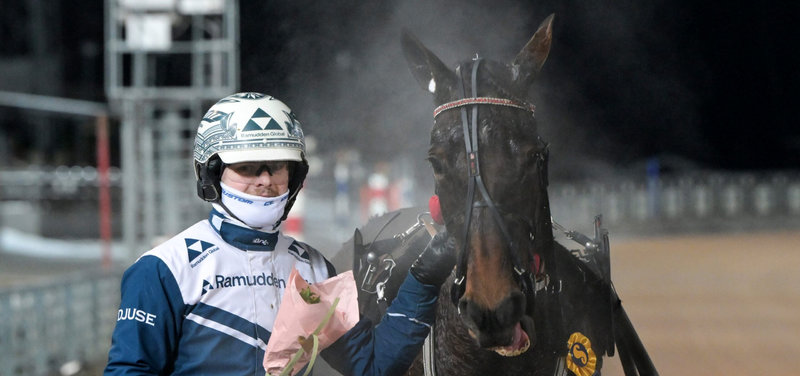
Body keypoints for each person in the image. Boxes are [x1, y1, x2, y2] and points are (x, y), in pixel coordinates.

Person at [104, 92, 455, 376]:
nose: (265, 180)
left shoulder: (314, 269)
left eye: (277, 166)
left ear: (295, 174)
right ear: (211, 173)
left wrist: (424, 279)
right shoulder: (164, 269)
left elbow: (372, 366)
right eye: (246, 167)